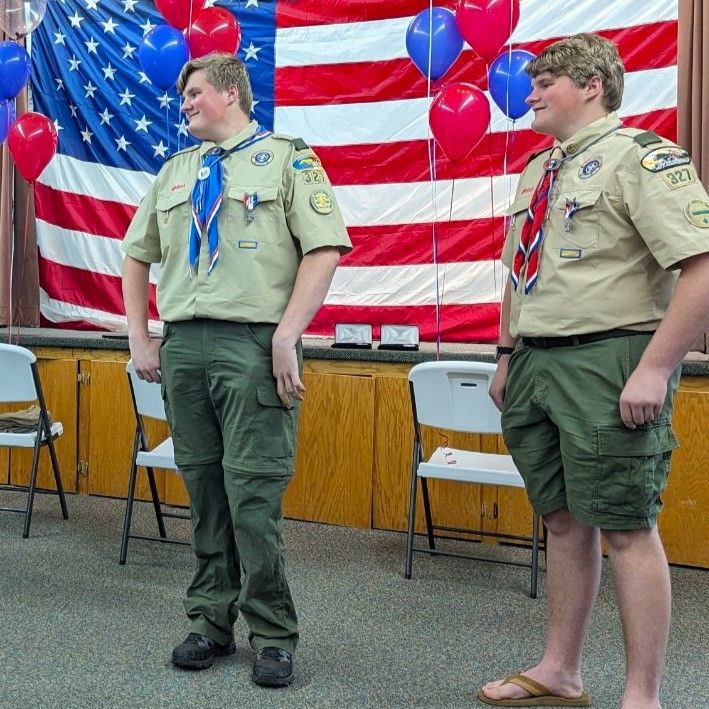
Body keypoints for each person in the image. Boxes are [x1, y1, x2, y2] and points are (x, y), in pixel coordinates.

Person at [480, 33, 709, 709]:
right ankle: (560, 668)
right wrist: (504, 355)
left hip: (611, 358)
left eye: (544, 80)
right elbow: (516, 277)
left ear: (590, 85)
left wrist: (654, 367)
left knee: (626, 525)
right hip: (535, 361)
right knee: (561, 521)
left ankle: (642, 694)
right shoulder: (536, 170)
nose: (530, 92)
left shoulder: (642, 158)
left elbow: (699, 267)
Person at [121, 53, 351, 687]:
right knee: (205, 495)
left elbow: (325, 248)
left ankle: (272, 632)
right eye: (183, 96)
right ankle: (209, 620)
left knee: (253, 499)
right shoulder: (174, 172)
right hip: (185, 349)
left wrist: (287, 336)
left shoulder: (286, 158)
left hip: (251, 347)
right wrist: (141, 337)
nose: (185, 104)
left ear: (229, 92)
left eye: (194, 93)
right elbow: (137, 255)